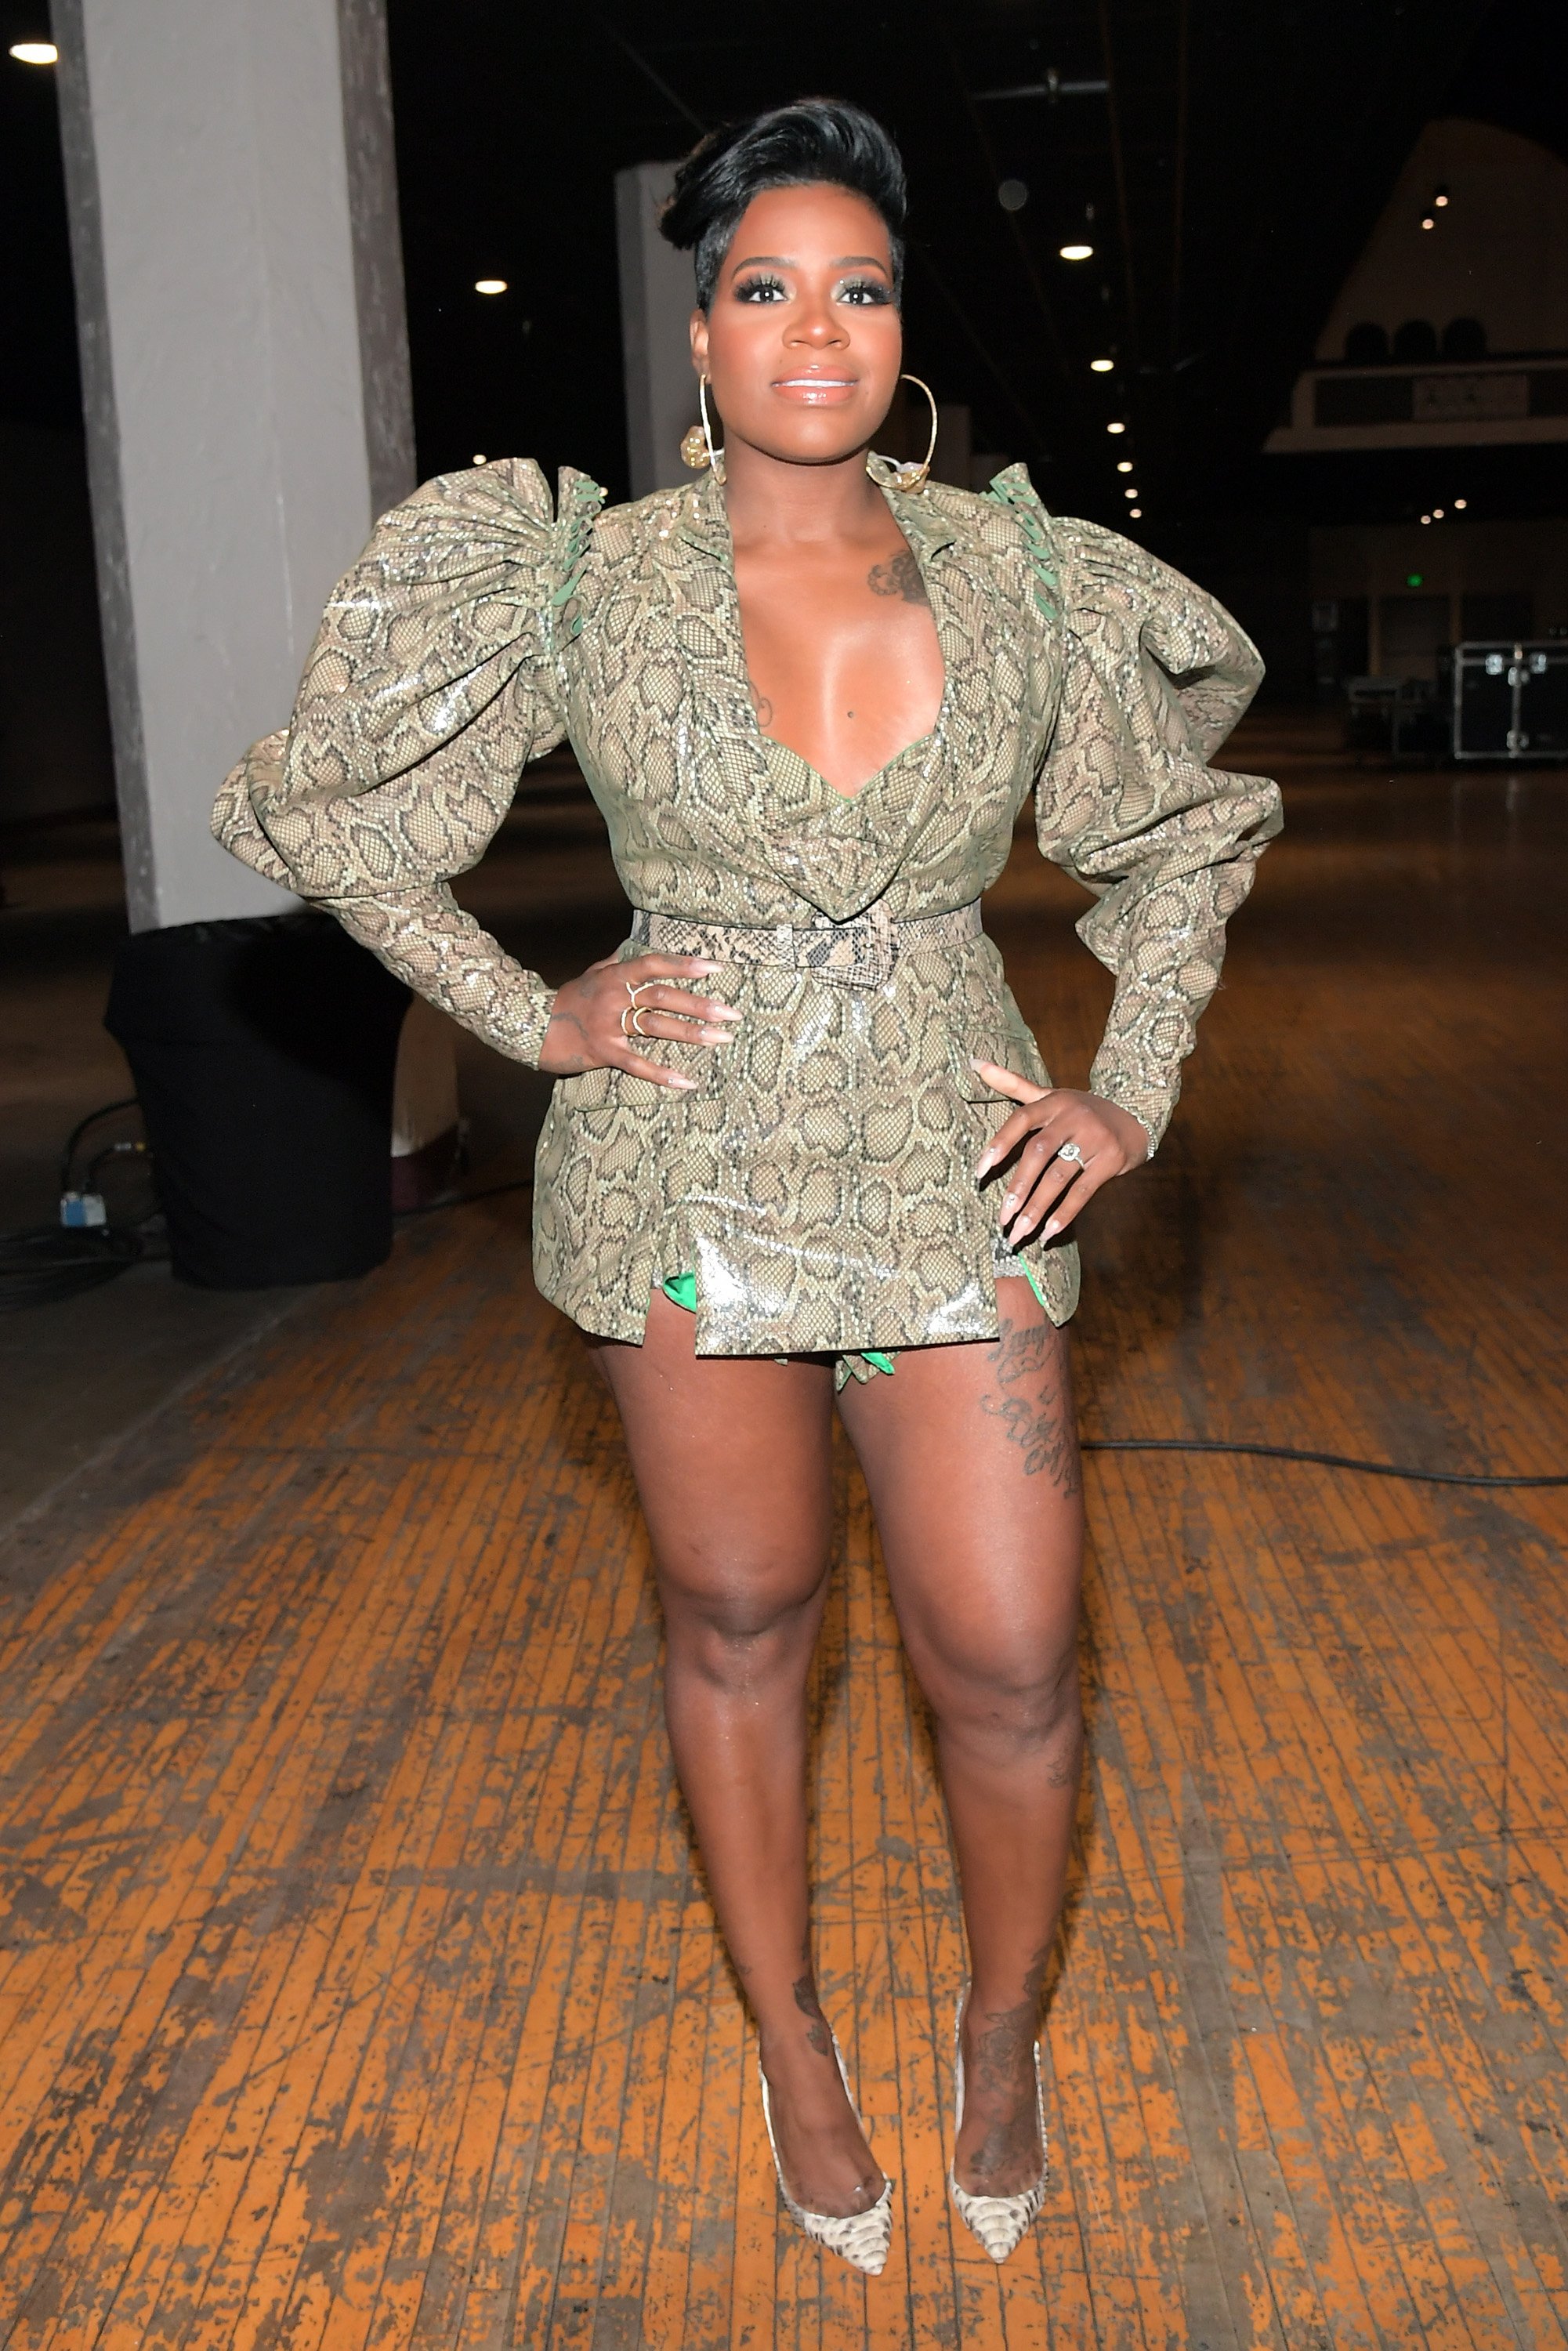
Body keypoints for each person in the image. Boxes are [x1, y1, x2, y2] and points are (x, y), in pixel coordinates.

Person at [215, 98, 1280, 2275]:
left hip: (954, 1164)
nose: (817, 329)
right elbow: (323, 803)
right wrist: (531, 1018)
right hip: (680, 1160)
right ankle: (793, 2042)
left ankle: (999, 2034)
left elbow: (1177, 836)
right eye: (766, 288)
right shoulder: (575, 577)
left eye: (860, 287)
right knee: (735, 1618)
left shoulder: (1016, 574)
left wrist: (1130, 1094)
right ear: (699, 334)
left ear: (900, 329)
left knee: (1006, 1650)